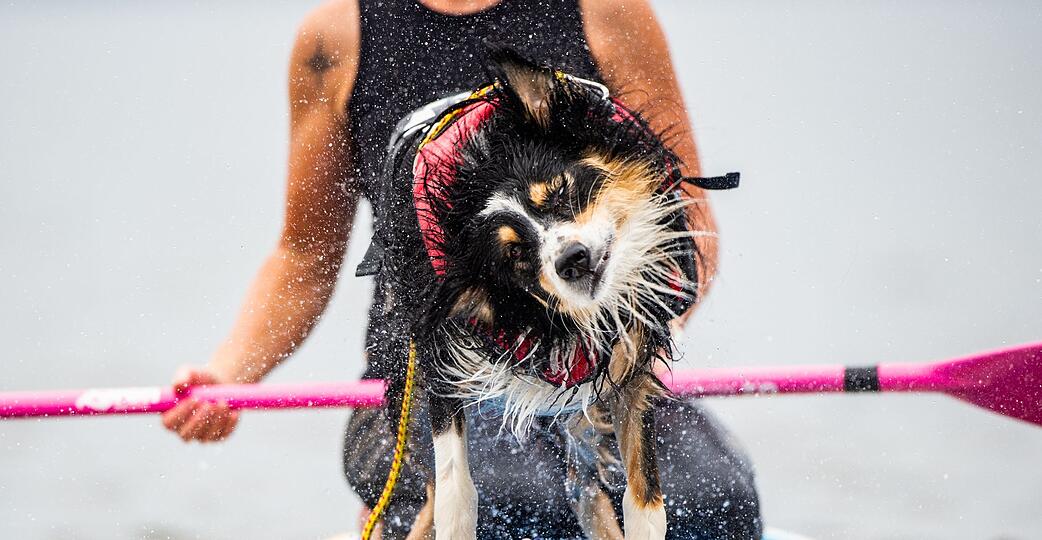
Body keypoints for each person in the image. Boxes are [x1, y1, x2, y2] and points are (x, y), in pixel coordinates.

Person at [161, 0, 762, 538]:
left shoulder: (606, 10)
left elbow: (686, 222)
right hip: (431, 380)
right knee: (515, 503)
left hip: (605, 368)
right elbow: (306, 256)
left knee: (717, 500)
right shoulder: (336, 36)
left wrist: (624, 345)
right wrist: (230, 373)